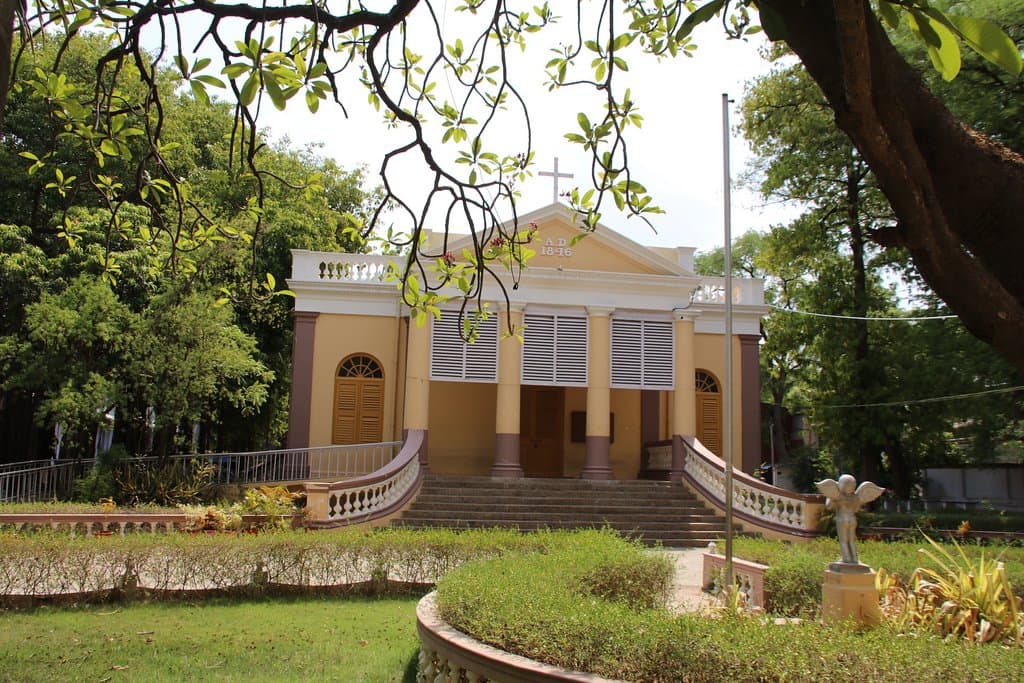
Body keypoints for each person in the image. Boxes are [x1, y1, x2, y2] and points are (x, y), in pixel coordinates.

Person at [815, 474, 885, 565]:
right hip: (852, 519)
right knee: (851, 540)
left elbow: (828, 506)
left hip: (842, 519)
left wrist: (831, 497)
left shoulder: (837, 496)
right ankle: (854, 559)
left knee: (843, 540)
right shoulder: (855, 497)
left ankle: (846, 558)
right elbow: (856, 509)